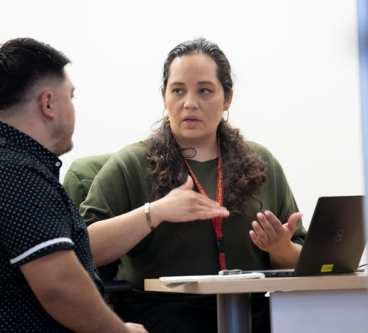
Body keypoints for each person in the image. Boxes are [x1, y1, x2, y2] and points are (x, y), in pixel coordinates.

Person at [74, 37, 307, 333]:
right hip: (163, 313)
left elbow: (304, 259)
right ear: (164, 97)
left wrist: (280, 248)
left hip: (252, 309)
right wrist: (153, 213)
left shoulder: (260, 162)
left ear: (227, 99)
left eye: (205, 90)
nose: (190, 103)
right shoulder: (130, 164)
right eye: (178, 90)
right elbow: (83, 248)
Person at [0, 37, 147, 333]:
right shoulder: (10, 171)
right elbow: (59, 287)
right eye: (71, 97)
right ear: (48, 103)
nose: (73, 107)